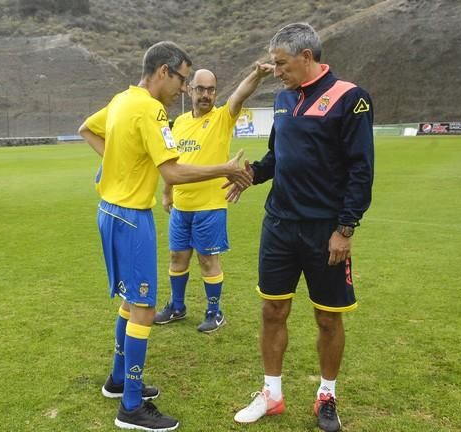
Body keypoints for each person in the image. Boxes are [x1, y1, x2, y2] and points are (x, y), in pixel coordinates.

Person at [78, 41, 252, 431]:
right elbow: (172, 173)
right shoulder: (152, 110)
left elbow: (86, 128)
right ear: (162, 72)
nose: (183, 89)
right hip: (131, 218)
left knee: (129, 300)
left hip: (108, 211)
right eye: (182, 80)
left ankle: (118, 380)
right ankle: (132, 406)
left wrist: (118, 166)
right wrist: (223, 167)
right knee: (142, 306)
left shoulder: (122, 99)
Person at [231, 23, 374, 432]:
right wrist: (252, 173)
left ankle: (326, 396)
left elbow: (361, 169)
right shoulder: (282, 100)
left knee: (328, 318)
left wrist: (345, 229)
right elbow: (277, 157)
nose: (275, 70)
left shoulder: (350, 98)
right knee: (272, 310)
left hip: (325, 230)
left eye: (281, 63)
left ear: (306, 57)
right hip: (279, 226)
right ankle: (271, 394)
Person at [154, 63, 272, 333]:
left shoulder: (222, 118)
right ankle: (177, 306)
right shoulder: (180, 122)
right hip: (181, 207)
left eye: (211, 90)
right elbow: (173, 163)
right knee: (176, 257)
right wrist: (166, 191)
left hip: (210, 207)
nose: (205, 94)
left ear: (215, 93)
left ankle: (214, 311)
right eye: (200, 89)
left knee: (207, 260)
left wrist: (255, 74)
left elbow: (239, 95)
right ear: (190, 90)